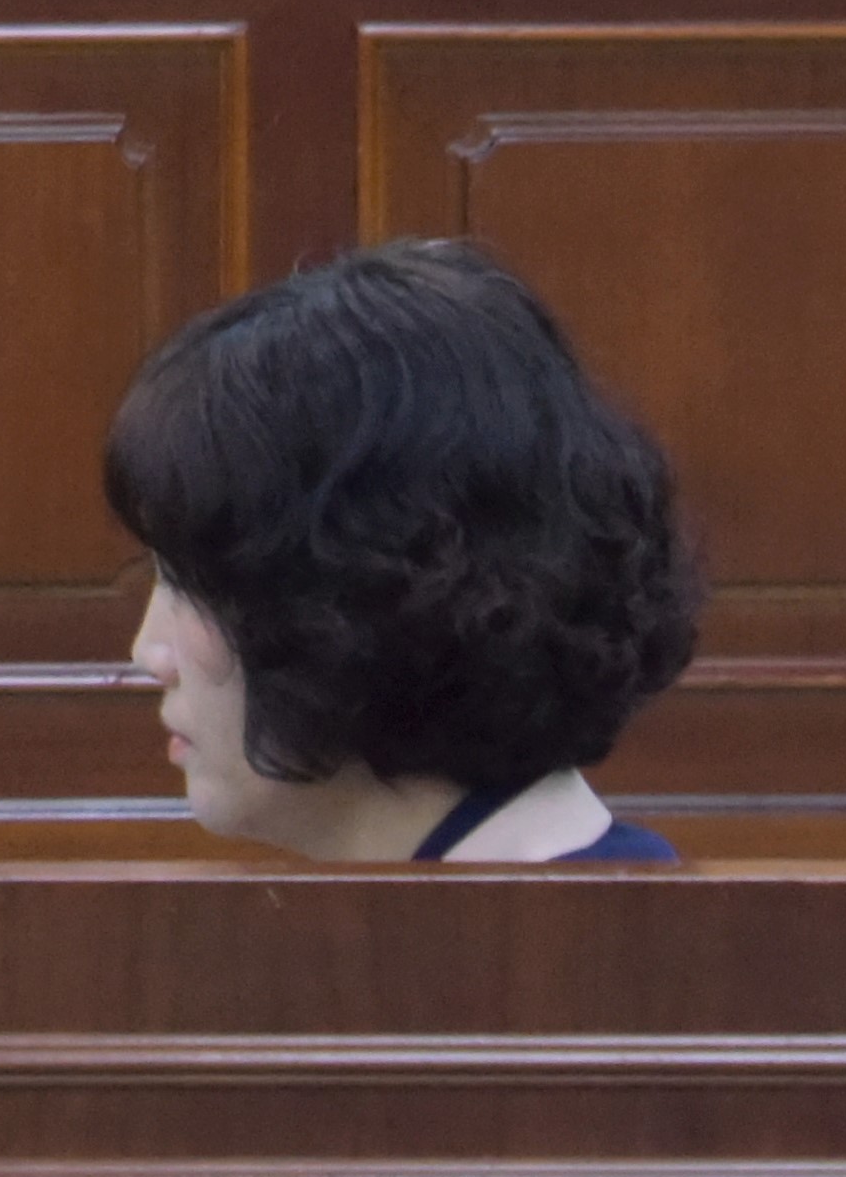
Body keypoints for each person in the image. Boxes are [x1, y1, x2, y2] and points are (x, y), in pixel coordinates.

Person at [105, 239, 703, 866]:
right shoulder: (536, 922)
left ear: (355, 595)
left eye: (190, 583)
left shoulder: (586, 954)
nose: (149, 653)